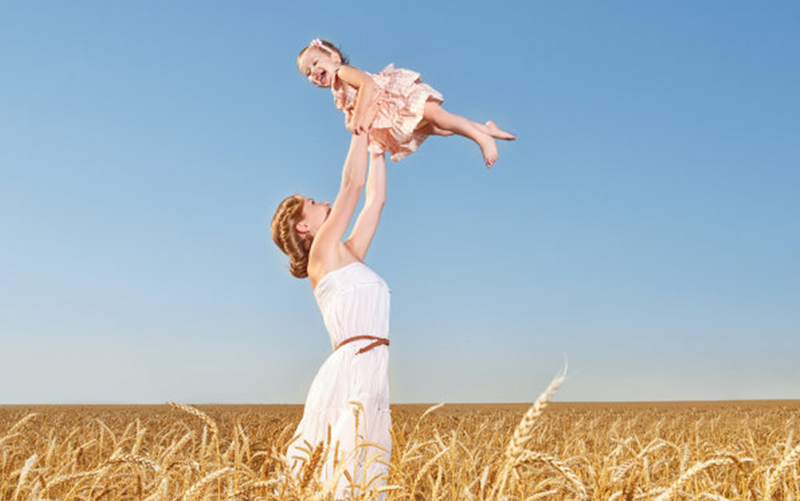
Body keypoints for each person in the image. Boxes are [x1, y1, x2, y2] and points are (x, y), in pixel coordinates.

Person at [271, 134, 391, 499]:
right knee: (341, 472)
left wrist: (377, 148)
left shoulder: (347, 254)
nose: (324, 202)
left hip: (371, 369)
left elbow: (375, 201)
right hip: (352, 371)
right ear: (304, 228)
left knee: (363, 477)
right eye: (313, 203)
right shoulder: (321, 254)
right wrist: (358, 127)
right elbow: (351, 186)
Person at [297, 38, 516, 168]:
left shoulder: (342, 72)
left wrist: (360, 118)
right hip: (393, 114)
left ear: (333, 57)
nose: (313, 72)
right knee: (441, 128)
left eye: (315, 63)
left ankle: (482, 138)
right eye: (308, 73)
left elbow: (367, 85)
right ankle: (487, 129)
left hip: (400, 97)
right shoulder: (338, 93)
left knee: (441, 118)